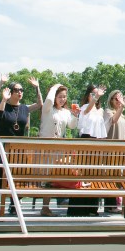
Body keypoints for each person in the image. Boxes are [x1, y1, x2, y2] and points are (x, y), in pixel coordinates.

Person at [0, 78, 37, 216]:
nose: (20, 92)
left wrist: (36, 88)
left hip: (18, 149)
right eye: (16, 90)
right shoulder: (0, 104)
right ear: (10, 92)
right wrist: (1, 84)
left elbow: (40, 104)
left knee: (17, 176)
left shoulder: (23, 108)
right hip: (0, 148)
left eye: (21, 90)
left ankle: (14, 204)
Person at [30, 83, 77, 217]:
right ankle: (45, 207)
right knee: (45, 177)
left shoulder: (66, 112)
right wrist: (54, 87)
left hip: (58, 149)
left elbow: (72, 126)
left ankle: (48, 206)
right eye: (60, 96)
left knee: (53, 177)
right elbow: (49, 100)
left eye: (64, 97)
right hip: (45, 148)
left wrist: (75, 115)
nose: (62, 99)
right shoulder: (48, 108)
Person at [103, 89, 125, 213]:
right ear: (111, 100)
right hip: (111, 152)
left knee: (120, 177)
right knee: (110, 177)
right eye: (116, 99)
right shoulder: (108, 112)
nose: (119, 101)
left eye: (121, 98)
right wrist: (121, 107)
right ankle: (110, 205)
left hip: (122, 153)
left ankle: (122, 204)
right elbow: (112, 120)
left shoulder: (123, 115)